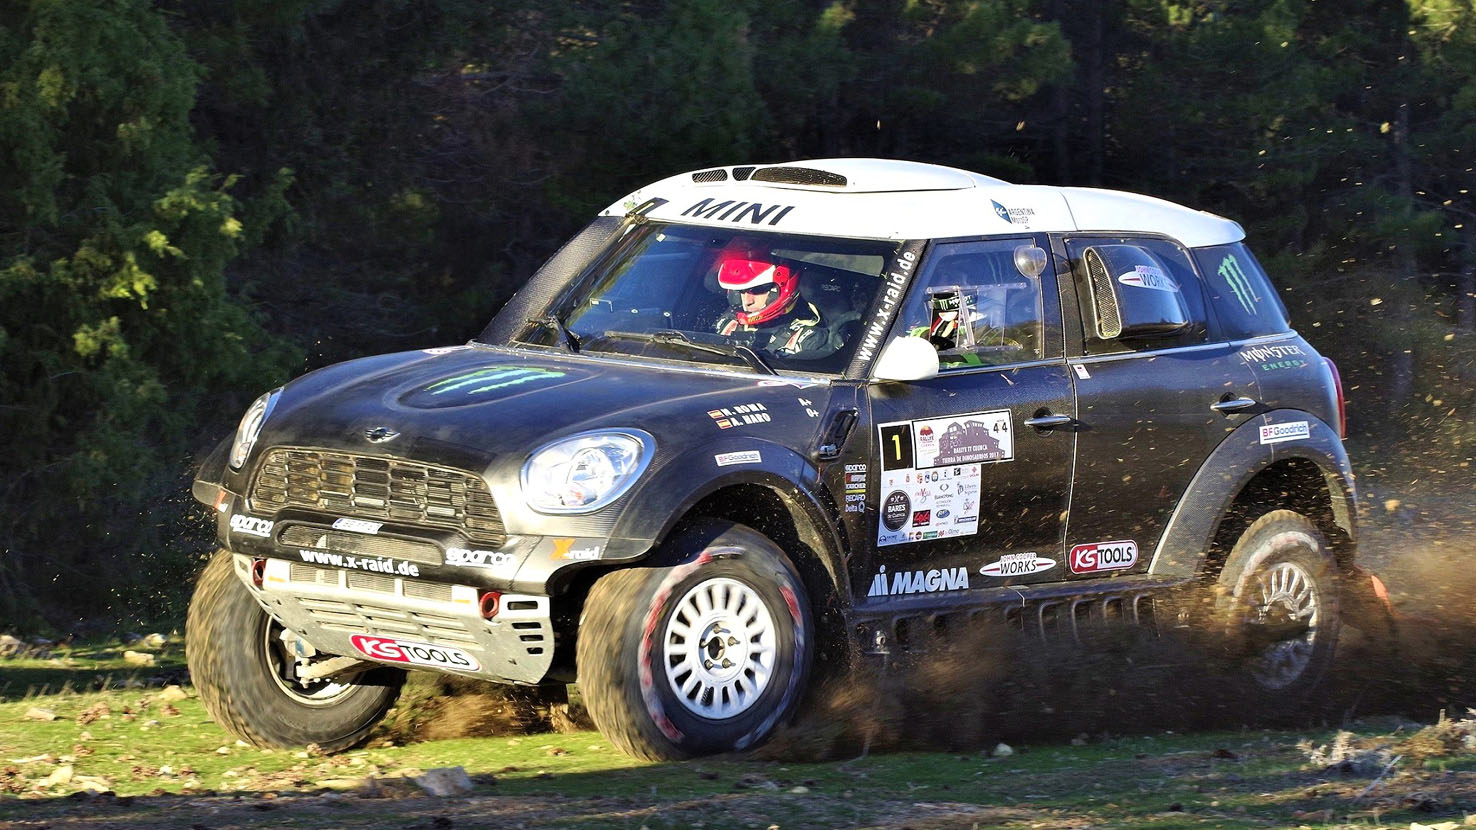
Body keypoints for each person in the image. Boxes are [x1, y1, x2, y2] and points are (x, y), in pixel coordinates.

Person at [714, 249, 838, 358]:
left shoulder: (808, 339)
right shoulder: (728, 322)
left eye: (757, 290)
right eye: (741, 291)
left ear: (779, 288)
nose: (747, 301)